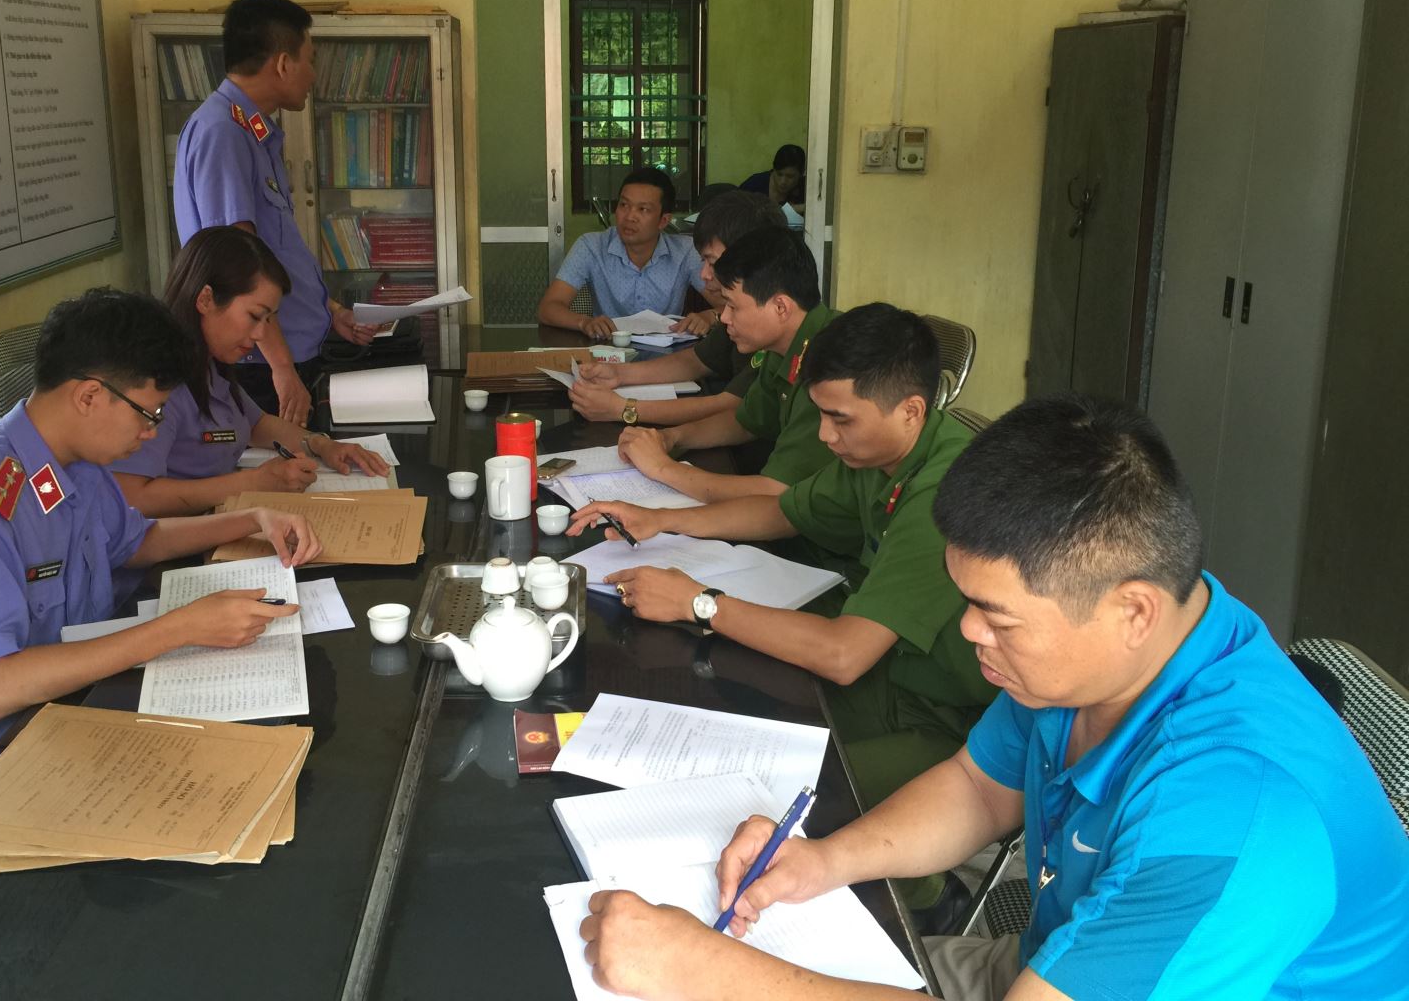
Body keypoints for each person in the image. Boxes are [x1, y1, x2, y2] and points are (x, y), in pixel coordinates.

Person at [579, 394, 1409, 1001]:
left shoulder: (1233, 813)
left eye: (996, 615)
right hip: (1055, 963)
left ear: (1132, 611)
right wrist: (820, 862)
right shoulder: (1109, 648)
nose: (971, 631)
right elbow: (980, 787)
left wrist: (711, 972)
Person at [570, 303, 994, 925]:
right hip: (893, 676)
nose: (824, 436)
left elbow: (844, 655)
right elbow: (784, 511)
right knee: (738, 724)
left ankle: (926, 906)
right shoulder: (880, 457)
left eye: (840, 418)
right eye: (820, 414)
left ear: (910, 410)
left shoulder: (944, 491)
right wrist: (660, 520)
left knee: (779, 801)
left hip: (952, 726)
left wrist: (699, 602)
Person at [0, 288, 323, 814]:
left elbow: (138, 541)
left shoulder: (78, 462)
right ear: (89, 396)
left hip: (66, 714)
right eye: (148, 414)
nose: (151, 433)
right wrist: (180, 629)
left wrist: (252, 518)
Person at [173, 0, 374, 427]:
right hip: (259, 366)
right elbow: (239, 270)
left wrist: (331, 310)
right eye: (310, 60)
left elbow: (277, 254)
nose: (313, 74)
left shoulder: (252, 131)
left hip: (286, 354)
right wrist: (282, 368)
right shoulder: (223, 133)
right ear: (283, 64)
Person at [109, 227, 390, 517]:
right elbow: (133, 497)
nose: (259, 334)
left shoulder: (210, 366)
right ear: (205, 299)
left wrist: (320, 444)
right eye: (255, 316)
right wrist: (253, 483)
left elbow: (255, 424)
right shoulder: (155, 383)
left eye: (268, 320)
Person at [610, 228, 837, 503]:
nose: (725, 318)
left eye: (733, 307)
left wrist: (662, 469)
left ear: (780, 307)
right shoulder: (783, 346)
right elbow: (745, 422)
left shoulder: (832, 364)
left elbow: (775, 492)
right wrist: (672, 438)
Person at [568, 190, 787, 427]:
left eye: (712, 262)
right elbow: (694, 361)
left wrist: (622, 408)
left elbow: (732, 408)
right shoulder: (736, 313)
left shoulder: (772, 324)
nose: (704, 274)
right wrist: (618, 374)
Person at [537, 167, 710, 339]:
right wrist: (584, 322)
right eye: (624, 205)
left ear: (663, 221)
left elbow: (724, 303)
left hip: (667, 351)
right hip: (608, 349)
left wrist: (708, 317)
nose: (629, 217)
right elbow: (548, 308)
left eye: (643, 209)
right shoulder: (591, 246)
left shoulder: (686, 251)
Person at [741, 142, 806, 228]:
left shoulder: (806, 188)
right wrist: (794, 209)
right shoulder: (754, 185)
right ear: (774, 169)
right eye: (779, 174)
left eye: (790, 176)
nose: (783, 181)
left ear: (801, 173)